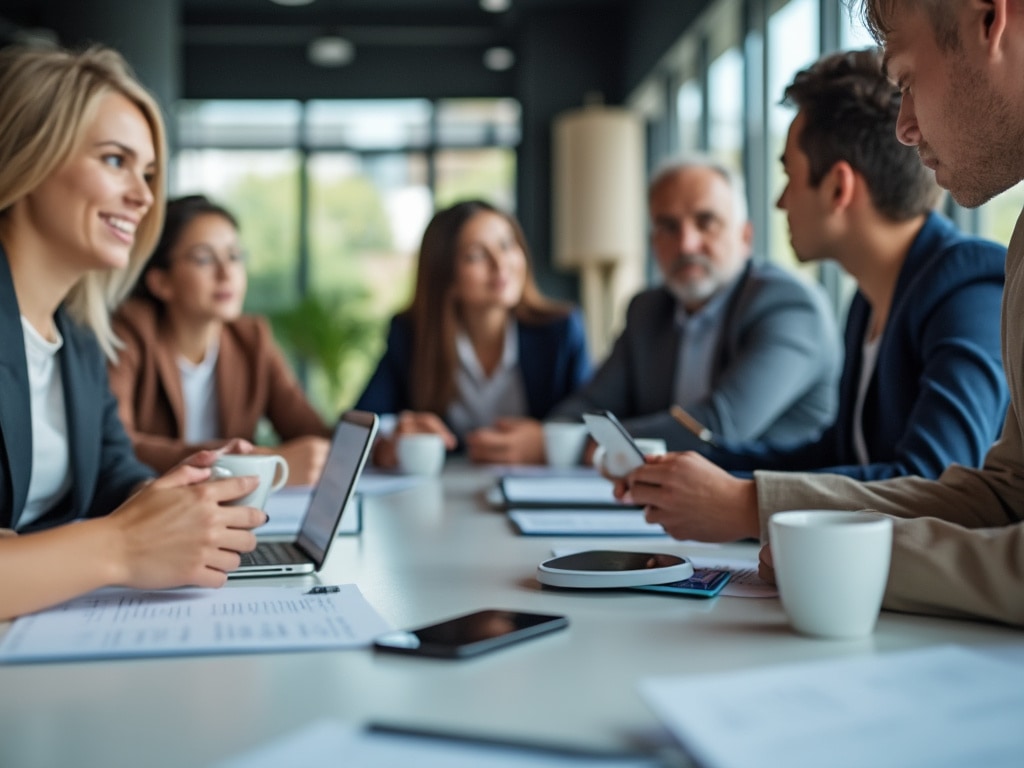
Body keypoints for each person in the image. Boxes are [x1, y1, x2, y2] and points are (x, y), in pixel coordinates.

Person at [617, 0, 1024, 626]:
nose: (905, 126)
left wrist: (771, 516)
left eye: (908, 79)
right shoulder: (871, 301)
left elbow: (935, 470)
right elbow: (1003, 493)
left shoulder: (967, 282)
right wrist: (727, 485)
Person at [0, 45, 264, 621]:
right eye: (115, 160)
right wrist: (122, 546)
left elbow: (113, 474)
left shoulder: (78, 334)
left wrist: (183, 492)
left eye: (147, 174)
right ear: (29, 155)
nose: (144, 198)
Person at [698, 47, 1007, 482]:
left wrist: (742, 499)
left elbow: (931, 478)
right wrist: (705, 463)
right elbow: (841, 454)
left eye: (789, 176)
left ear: (838, 188)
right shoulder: (867, 302)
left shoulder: (967, 291)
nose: (780, 201)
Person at [549, 157, 841, 451]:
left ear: (745, 237)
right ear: (653, 242)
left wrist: (580, 444)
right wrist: (554, 435)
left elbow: (717, 428)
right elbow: (589, 405)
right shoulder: (647, 310)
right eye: (668, 226)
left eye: (706, 222)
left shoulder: (790, 307)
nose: (686, 244)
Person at [108, 194, 333, 486]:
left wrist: (379, 448)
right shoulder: (130, 331)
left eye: (235, 256)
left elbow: (310, 430)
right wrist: (248, 463)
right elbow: (118, 446)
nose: (226, 273)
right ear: (161, 282)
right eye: (204, 258)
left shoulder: (251, 339)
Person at [355, 199, 591, 466]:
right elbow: (359, 425)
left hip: (538, 486)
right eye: (476, 255)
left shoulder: (560, 331)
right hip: (444, 486)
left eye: (507, 245)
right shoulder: (410, 335)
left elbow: (591, 424)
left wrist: (546, 443)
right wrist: (386, 444)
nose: (501, 264)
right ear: (446, 275)